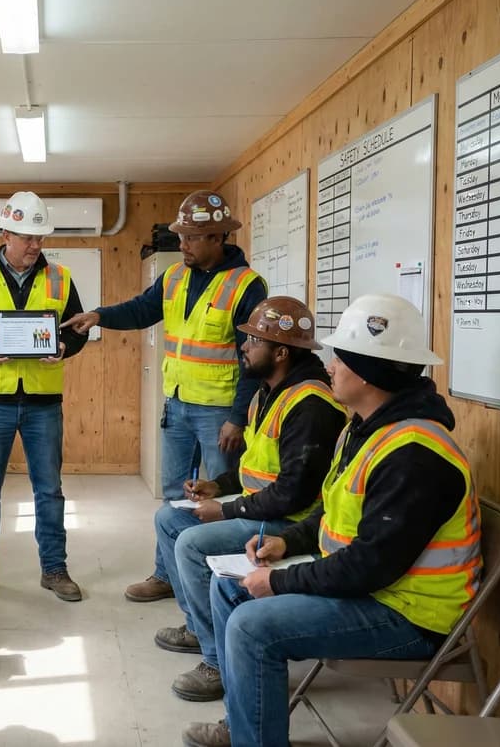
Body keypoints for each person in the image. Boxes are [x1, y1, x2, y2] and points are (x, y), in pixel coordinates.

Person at [183, 294, 482, 747]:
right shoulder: (364, 428)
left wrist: (280, 581)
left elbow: (369, 565)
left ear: (367, 372)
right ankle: (244, 722)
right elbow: (330, 509)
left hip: (407, 616)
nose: (330, 367)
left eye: (340, 358)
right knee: (229, 588)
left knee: (251, 627)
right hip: (369, 590)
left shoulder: (415, 455)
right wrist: (288, 543)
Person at [62, 189, 267, 603]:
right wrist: (99, 315)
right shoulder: (174, 276)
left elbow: (253, 357)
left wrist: (238, 417)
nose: (182, 244)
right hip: (176, 404)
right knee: (174, 494)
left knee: (222, 496)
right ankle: (167, 575)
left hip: (220, 412)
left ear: (217, 237)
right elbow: (141, 309)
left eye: (191, 237)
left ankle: (220, 585)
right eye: (181, 236)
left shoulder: (246, 285)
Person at [161, 296, 345, 703]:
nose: (243, 346)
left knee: (191, 543)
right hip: (262, 507)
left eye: (254, 341)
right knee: (169, 519)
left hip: (289, 523)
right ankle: (200, 629)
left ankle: (216, 662)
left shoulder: (311, 405)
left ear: (281, 353)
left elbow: (293, 492)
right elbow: (254, 467)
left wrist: (226, 509)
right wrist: (218, 486)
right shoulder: (268, 392)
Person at [0, 191, 89, 602]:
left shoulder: (60, 278)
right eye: (28, 237)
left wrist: (64, 347)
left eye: (40, 237)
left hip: (43, 403)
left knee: (50, 491)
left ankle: (54, 569)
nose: (35, 245)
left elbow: (79, 330)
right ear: (6, 235)